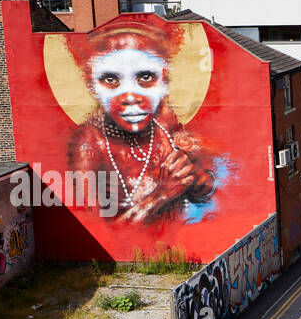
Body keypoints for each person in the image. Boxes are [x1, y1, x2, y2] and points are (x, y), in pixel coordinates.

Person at [67, 19, 217, 224]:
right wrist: (162, 194)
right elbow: (95, 232)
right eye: (111, 80)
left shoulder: (165, 120)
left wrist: (194, 178)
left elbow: (204, 185)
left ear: (164, 82)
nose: (130, 96)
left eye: (146, 77)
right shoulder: (89, 145)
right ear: (91, 85)